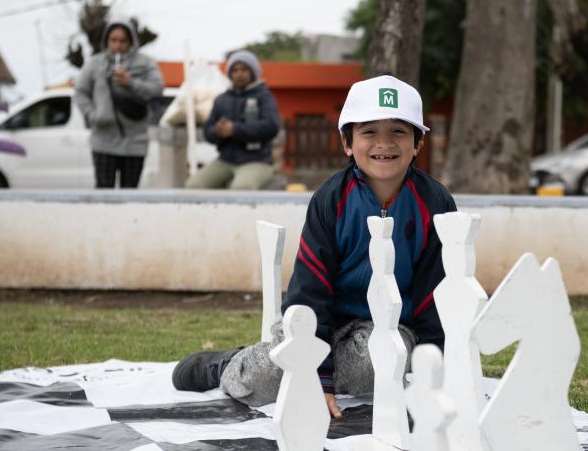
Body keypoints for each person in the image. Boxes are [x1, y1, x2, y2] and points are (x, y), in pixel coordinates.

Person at [173, 75, 456, 419]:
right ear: (347, 142)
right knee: (259, 383)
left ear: (418, 142)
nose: (384, 143)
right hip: (321, 319)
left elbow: (434, 295)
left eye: (398, 131)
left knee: (377, 363)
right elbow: (309, 289)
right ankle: (228, 365)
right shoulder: (331, 199)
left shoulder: (435, 201)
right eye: (369, 132)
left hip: (388, 327)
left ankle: (319, 363)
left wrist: (431, 374)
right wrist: (317, 379)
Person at [74, 17, 164, 188]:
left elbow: (157, 89)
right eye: (113, 40)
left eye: (123, 41)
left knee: (129, 194)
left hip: (135, 141)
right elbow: (80, 93)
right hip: (103, 140)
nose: (117, 45)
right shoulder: (95, 63)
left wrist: (130, 82)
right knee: (103, 191)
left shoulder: (145, 63)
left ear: (131, 41)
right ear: (106, 40)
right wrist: (93, 115)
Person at [184, 50, 281, 190]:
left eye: (244, 69)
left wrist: (234, 130)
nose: (239, 74)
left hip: (257, 161)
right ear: (230, 74)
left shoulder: (264, 97)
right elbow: (208, 130)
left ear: (253, 72)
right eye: (235, 70)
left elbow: (271, 126)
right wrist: (218, 131)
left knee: (242, 188)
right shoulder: (222, 99)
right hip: (225, 160)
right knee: (194, 186)